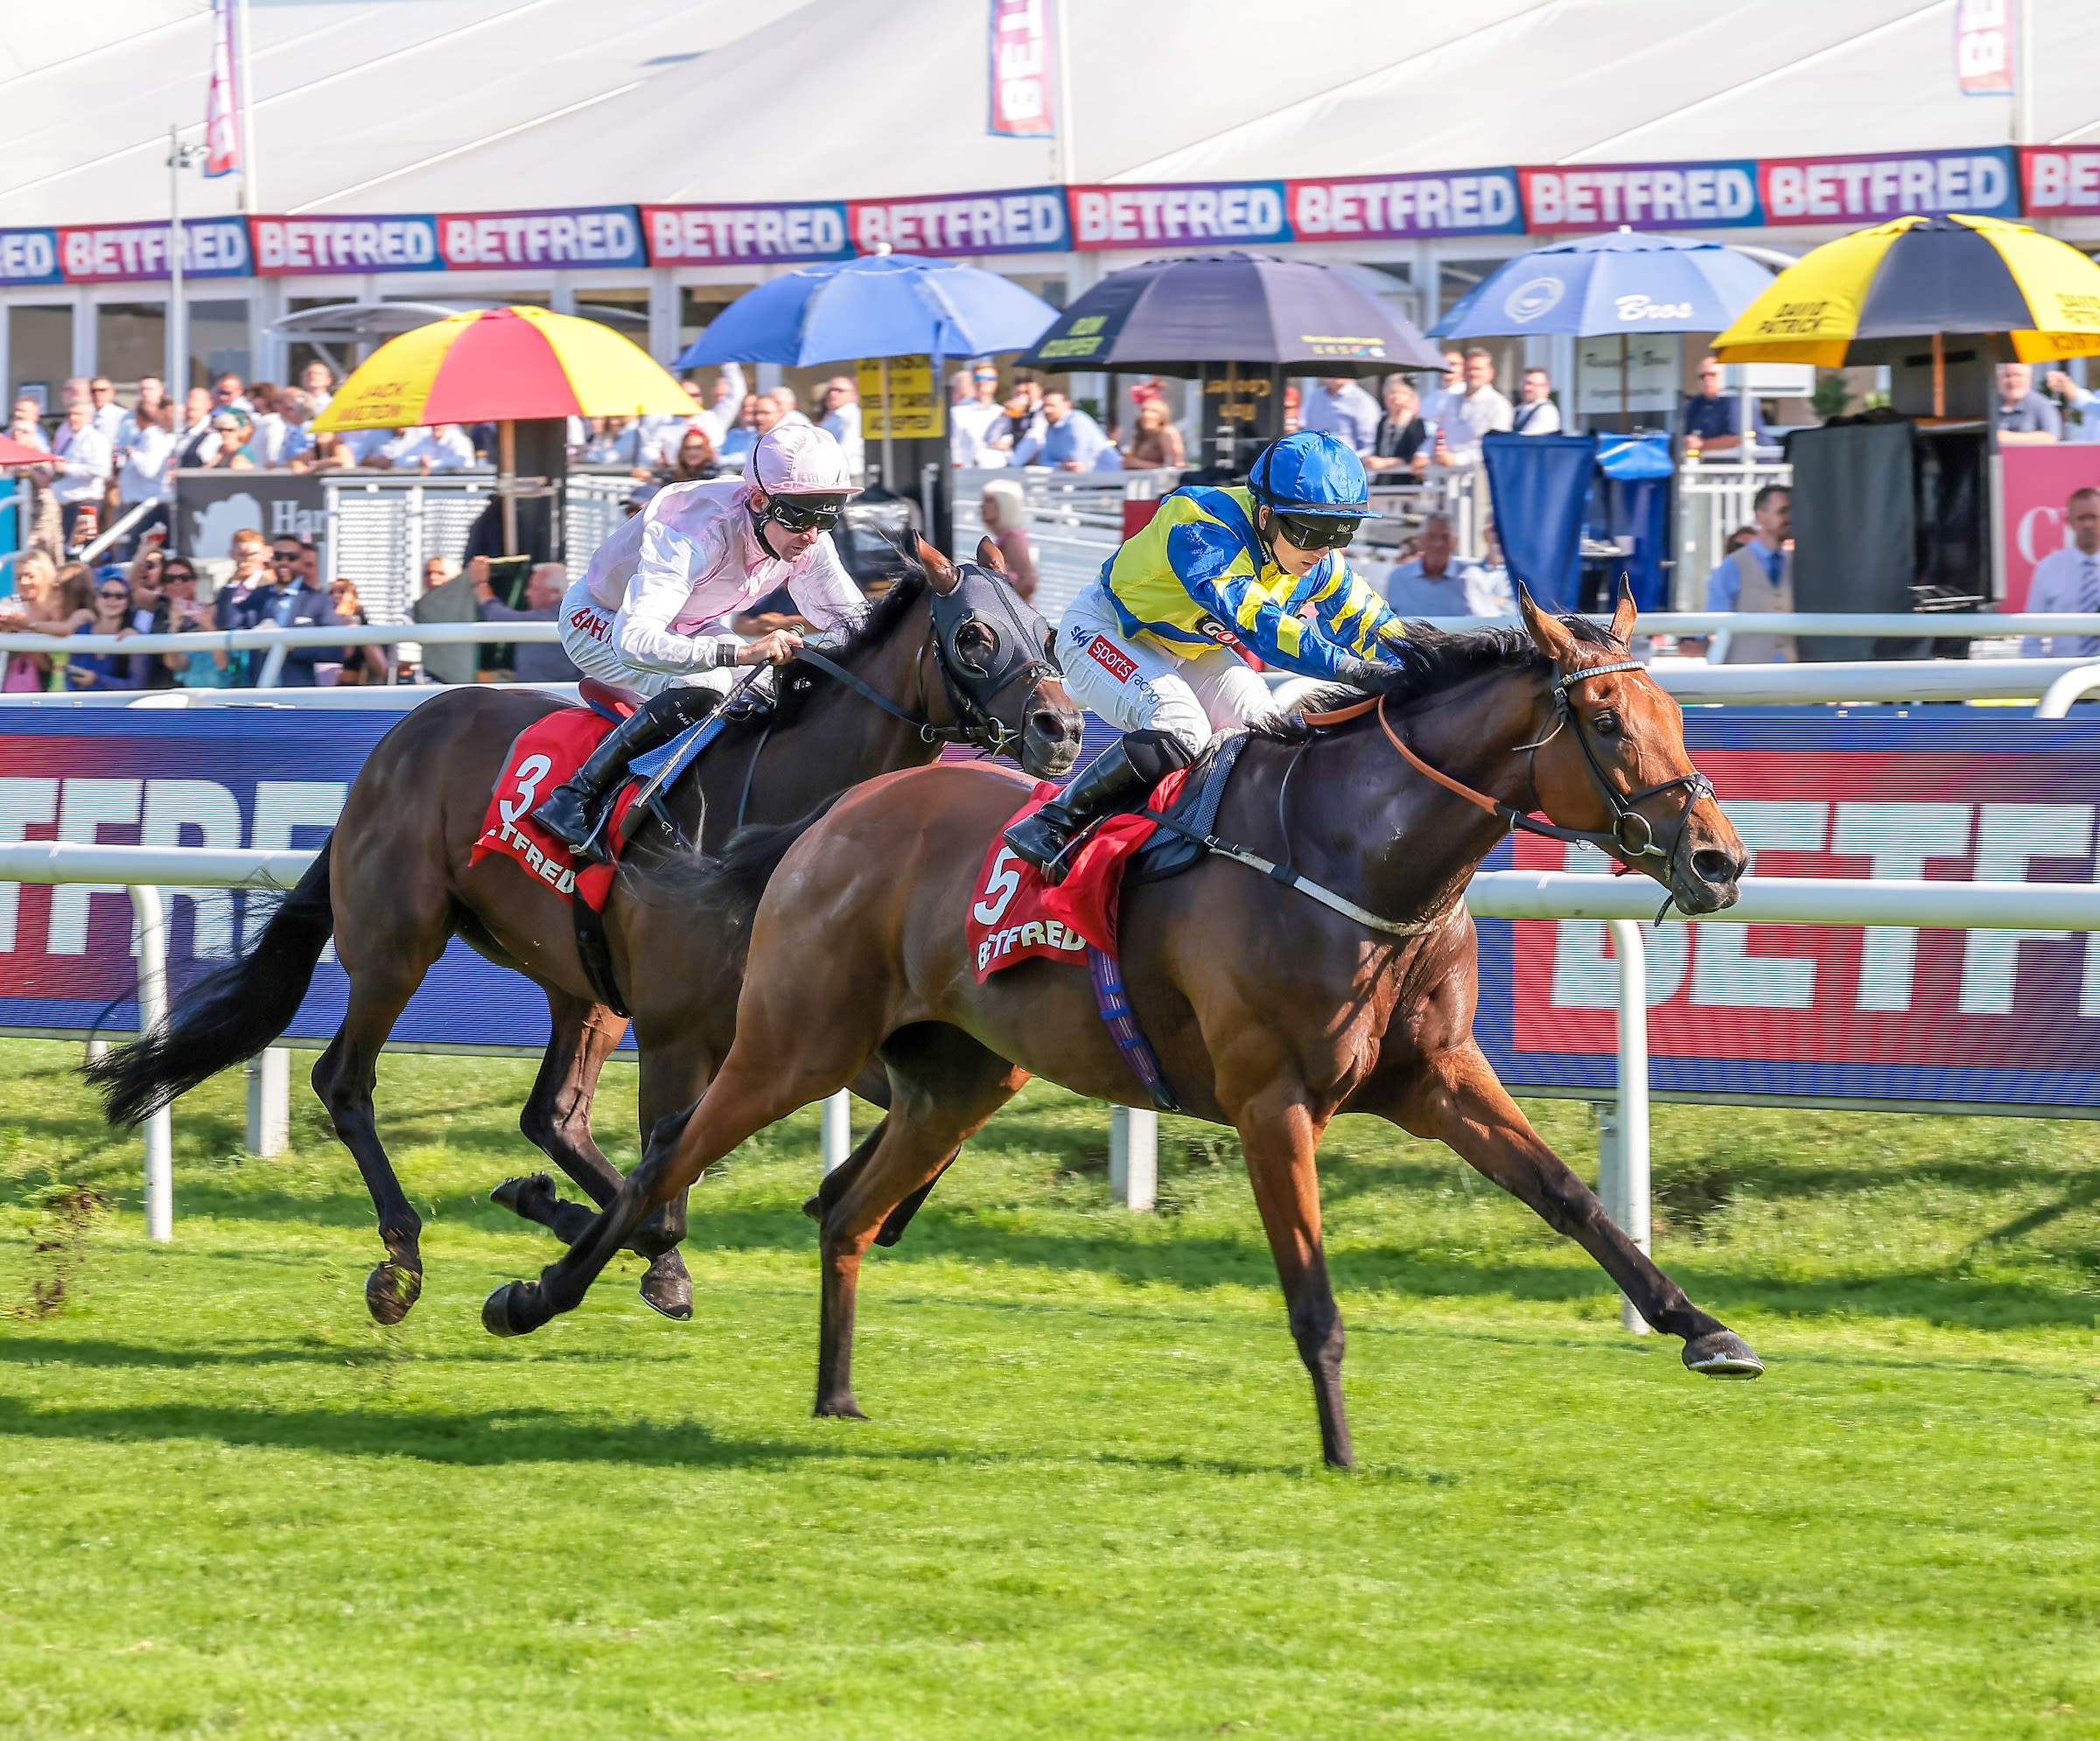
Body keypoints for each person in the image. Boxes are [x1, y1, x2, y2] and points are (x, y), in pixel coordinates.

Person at [1003, 430, 1408, 880]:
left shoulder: (1316, 559)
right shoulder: (1200, 524)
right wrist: (1351, 668)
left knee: (1266, 731)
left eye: (1342, 531)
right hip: (1103, 629)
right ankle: (1056, 822)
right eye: (1313, 531)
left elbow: (1376, 624)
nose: (1325, 549)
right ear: (1267, 514)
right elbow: (1261, 624)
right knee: (1182, 726)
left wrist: (1424, 668)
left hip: (1190, 647)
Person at [532, 422, 870, 861]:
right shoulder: (693, 530)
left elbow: (858, 623)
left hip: (688, 624)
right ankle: (575, 797)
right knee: (709, 686)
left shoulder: (807, 538)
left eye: (827, 516)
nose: (811, 535)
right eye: (800, 516)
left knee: (770, 690)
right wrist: (742, 651)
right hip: (603, 621)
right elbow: (636, 640)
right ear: (758, 500)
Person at [1689, 483, 1794, 664]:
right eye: (1783, 511)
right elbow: (1713, 625)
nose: (1790, 518)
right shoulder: (1732, 566)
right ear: (1760, 516)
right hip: (1746, 676)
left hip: (1794, 675)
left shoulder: (1797, 565)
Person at [234, 535, 345, 686]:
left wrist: (292, 645)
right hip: (257, 694)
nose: (284, 562)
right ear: (271, 560)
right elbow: (230, 627)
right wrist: (238, 580)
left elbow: (334, 651)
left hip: (297, 696)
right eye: (278, 557)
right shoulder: (257, 596)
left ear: (301, 561)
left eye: (292, 557)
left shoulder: (319, 600)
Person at [2020, 487, 2100, 657]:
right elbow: (2032, 639)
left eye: (2093, 517)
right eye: (2081, 518)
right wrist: (2041, 677)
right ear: (2069, 521)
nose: (2088, 524)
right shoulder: (2049, 568)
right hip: (2063, 675)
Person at [1380, 514, 1511, 618]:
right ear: (1421, 540)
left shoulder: (1471, 577)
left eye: (1445, 537)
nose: (1438, 544)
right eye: (1431, 537)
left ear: (1455, 543)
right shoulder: (1399, 577)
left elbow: (1489, 624)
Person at [478, 560, 581, 682]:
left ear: (554, 593)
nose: (527, 593)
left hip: (548, 695)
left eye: (534, 588)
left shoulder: (553, 617)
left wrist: (480, 584)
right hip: (548, 692)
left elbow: (500, 619)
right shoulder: (569, 613)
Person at [49, 398, 113, 546]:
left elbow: (102, 470)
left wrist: (67, 468)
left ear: (89, 417)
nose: (73, 418)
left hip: (87, 504)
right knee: (69, 547)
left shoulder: (96, 439)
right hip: (68, 504)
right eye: (70, 414)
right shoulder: (70, 439)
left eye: (78, 414)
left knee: (83, 547)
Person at [1681, 354, 1770, 457]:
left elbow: (1738, 439)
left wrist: (1702, 444)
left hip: (1757, 464)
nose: (1707, 379)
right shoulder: (1696, 403)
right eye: (1702, 376)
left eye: (1712, 374)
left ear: (1724, 376)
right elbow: (1687, 435)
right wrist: (1687, 441)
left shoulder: (1734, 400)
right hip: (1714, 467)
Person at [66, 573, 142, 689]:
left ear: (128, 602)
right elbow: (70, 677)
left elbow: (137, 685)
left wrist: (97, 679)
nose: (111, 600)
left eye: (119, 596)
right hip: (82, 704)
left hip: (118, 706)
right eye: (105, 595)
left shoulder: (133, 635)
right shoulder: (82, 631)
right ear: (96, 600)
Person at [1013, 391, 1112, 471]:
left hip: (1108, 483)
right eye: (1045, 406)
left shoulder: (1077, 422)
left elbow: (1076, 463)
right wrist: (1061, 466)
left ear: (1067, 405)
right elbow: (1044, 461)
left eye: (1052, 406)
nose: (1047, 410)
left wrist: (1061, 466)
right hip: (1080, 483)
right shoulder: (1050, 428)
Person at [978, 479, 1039, 603]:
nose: (982, 505)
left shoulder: (1012, 538)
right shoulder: (1008, 537)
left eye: (990, 500)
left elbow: (1028, 581)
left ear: (1005, 504)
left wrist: (1002, 605)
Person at [1298, 376, 1382, 456]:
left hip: (1346, 462)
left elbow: (1369, 445)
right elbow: (1303, 429)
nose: (1335, 374)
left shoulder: (1362, 400)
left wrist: (1349, 460)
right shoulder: (1315, 396)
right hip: (1313, 458)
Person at [1364, 376, 1428, 476]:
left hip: (1406, 481)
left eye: (1402, 393)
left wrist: (1384, 463)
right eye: (1392, 393)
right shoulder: (1383, 423)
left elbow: (1415, 457)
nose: (1396, 397)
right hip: (1382, 481)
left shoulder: (1416, 424)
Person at [951, 363, 1006, 467]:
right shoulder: (958, 412)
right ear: (972, 381)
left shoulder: (1002, 412)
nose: (983, 381)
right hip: (969, 472)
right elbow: (953, 444)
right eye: (979, 377)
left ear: (996, 383)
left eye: (990, 378)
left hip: (999, 470)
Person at [1996, 362, 2061, 445]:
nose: (2012, 380)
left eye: (2018, 375)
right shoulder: (1991, 403)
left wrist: (2009, 437)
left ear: (2029, 378)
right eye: (2007, 376)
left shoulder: (2042, 404)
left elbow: (2051, 437)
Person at [1122, 398, 1185, 471]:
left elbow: (1174, 465)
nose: (1146, 415)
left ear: (1162, 415)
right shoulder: (1138, 436)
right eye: (1143, 410)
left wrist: (1138, 463)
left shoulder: (1167, 433)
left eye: (1153, 411)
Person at [817, 376, 864, 477]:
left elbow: (847, 448)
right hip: (833, 473)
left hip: (847, 475)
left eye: (839, 390)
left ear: (853, 395)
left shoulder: (852, 415)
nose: (832, 394)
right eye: (830, 390)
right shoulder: (831, 416)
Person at [2043, 370, 2100, 443]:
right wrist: (2066, 385)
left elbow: (2087, 404)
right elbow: (2085, 402)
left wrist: (2066, 385)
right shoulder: (2098, 394)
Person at [717, 394, 762, 467]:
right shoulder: (733, 433)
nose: (747, 409)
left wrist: (717, 459)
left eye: (752, 406)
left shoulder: (762, 434)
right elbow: (722, 452)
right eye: (743, 406)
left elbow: (747, 458)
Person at [1512, 368, 1562, 435]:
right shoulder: (1519, 409)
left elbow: (1529, 440)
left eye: (1532, 384)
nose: (1526, 388)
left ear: (1546, 388)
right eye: (1524, 383)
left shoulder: (1547, 411)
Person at [87, 377, 125, 443]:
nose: (97, 394)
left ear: (112, 393)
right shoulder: (86, 416)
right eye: (93, 391)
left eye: (102, 390)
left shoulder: (123, 416)